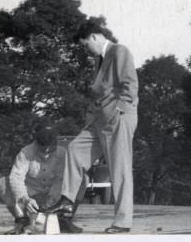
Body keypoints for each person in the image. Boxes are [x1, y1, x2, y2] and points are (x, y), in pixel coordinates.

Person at [45, 21, 139, 234]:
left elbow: (130, 83)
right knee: (74, 150)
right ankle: (67, 201)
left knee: (120, 170)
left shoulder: (119, 51)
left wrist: (119, 112)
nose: (86, 48)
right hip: (98, 121)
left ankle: (122, 223)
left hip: (118, 118)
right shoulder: (99, 59)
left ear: (95, 37)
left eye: (85, 43)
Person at [0, 122, 83, 234]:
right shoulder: (25, 152)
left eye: (50, 147)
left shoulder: (63, 153)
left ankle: (64, 219)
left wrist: (53, 197)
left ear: (56, 142)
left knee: (82, 179)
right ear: (36, 142)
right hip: (31, 193)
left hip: (54, 196)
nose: (46, 151)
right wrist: (25, 199)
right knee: (2, 182)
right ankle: (22, 220)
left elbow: (61, 179)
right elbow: (16, 177)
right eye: (42, 146)